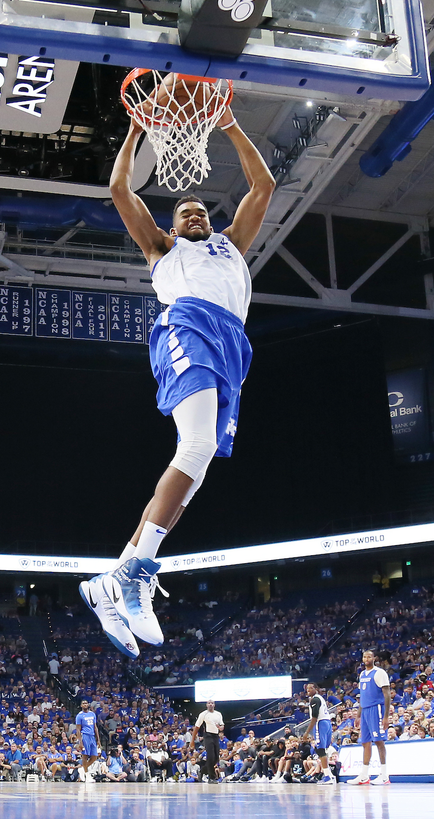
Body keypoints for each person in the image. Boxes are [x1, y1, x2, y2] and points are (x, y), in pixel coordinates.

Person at [79, 96, 275, 657]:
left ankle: (110, 582)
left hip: (231, 343)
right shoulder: (162, 249)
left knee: (201, 456)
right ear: (170, 226)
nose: (195, 214)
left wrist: (232, 127)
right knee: (195, 444)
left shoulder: (231, 245)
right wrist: (137, 129)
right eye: (184, 211)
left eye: (201, 211)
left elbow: (262, 189)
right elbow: (121, 189)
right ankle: (136, 574)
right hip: (187, 324)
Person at [352, 650, 391, 785]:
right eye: (364, 656)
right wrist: (358, 715)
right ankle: (364, 775)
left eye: (369, 656)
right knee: (365, 742)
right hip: (365, 710)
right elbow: (363, 696)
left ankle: (385, 775)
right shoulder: (362, 674)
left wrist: (386, 716)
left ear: (374, 658)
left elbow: (387, 695)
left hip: (377, 709)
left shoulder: (380, 673)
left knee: (379, 741)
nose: (366, 658)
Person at [299, 683, 338, 784]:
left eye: (310, 688)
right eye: (307, 689)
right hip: (327, 722)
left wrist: (306, 732)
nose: (308, 690)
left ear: (316, 689)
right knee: (322, 749)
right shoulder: (321, 698)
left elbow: (314, 718)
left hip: (321, 723)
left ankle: (327, 777)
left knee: (320, 750)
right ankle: (330, 775)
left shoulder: (314, 700)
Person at [193, 699, 225, 782]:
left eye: (212, 703)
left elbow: (222, 725)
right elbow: (197, 727)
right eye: (209, 703)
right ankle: (212, 777)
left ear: (214, 705)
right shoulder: (203, 714)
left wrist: (221, 727)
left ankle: (202, 771)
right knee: (210, 756)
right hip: (207, 735)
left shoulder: (218, 714)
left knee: (216, 758)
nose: (210, 704)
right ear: (206, 705)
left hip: (216, 736)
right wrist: (192, 741)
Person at [74, 700, 99, 784]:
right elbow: (78, 729)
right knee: (85, 755)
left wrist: (98, 740)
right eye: (83, 703)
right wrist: (80, 741)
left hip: (92, 736)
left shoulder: (92, 714)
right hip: (85, 735)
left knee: (95, 756)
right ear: (81, 705)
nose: (85, 704)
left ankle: (83, 769)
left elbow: (95, 727)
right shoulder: (79, 716)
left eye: (86, 703)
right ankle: (87, 774)